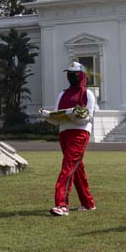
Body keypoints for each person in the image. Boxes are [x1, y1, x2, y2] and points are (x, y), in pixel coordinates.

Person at [40, 61, 97, 217]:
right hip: (64, 132)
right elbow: (58, 115)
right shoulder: (62, 94)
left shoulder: (87, 94)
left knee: (68, 166)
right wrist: (49, 116)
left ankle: (61, 204)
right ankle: (88, 202)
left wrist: (74, 115)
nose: (71, 77)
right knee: (76, 168)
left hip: (80, 133)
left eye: (74, 74)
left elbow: (87, 118)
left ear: (81, 76)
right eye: (69, 74)